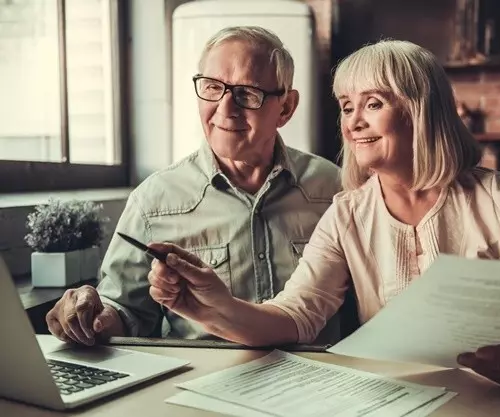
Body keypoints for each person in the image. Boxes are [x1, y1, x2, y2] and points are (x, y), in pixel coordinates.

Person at [146, 40, 500, 387]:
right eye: (347, 107)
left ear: (421, 111)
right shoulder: (347, 213)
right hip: (392, 401)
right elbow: (295, 317)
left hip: (496, 398)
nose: (353, 122)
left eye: (373, 103)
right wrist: (212, 307)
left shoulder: (496, 197)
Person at [45, 26, 341, 345]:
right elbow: (128, 313)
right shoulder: (153, 200)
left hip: (317, 381)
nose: (225, 109)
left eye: (247, 93)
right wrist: (92, 317)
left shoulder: (335, 189)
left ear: (285, 107)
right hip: (203, 381)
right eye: (213, 88)